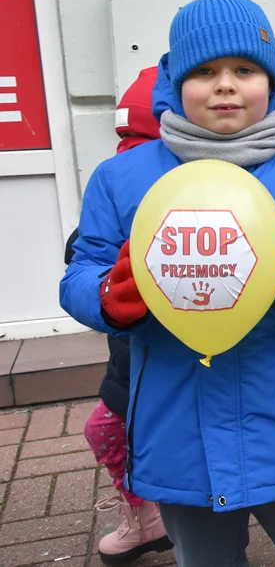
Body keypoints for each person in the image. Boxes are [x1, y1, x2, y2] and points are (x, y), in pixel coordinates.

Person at [60, 0, 275, 567]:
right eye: (204, 72)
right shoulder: (121, 181)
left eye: (245, 69)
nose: (225, 85)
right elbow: (82, 270)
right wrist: (106, 299)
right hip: (177, 432)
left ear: (273, 79)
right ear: (175, 81)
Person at [64, 67, 173, 565]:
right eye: (122, 140)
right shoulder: (116, 183)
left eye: (138, 141)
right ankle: (146, 517)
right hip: (127, 358)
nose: (127, 154)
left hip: (163, 362)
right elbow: (84, 260)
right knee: (106, 431)